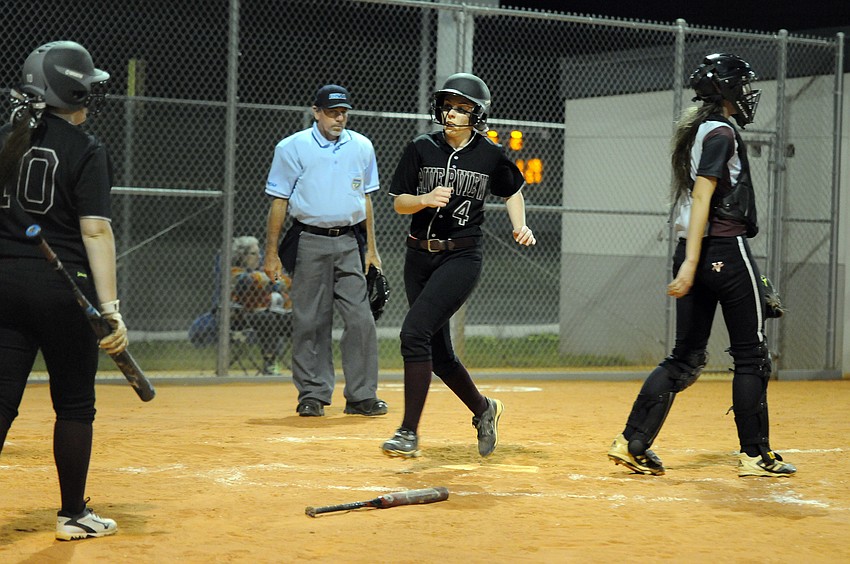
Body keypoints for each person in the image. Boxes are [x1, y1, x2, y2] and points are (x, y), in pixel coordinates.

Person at [607, 53, 796, 478]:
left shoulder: (700, 130)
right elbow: (706, 197)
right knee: (753, 356)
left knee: (686, 358)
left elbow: (697, 202)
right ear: (726, 90)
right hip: (723, 250)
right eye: (742, 87)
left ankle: (633, 442)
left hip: (698, 250)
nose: (747, 95)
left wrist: (691, 259)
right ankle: (755, 454)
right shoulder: (721, 133)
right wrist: (694, 262)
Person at [0, 41, 128, 540]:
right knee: (74, 403)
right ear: (72, 91)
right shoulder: (86, 148)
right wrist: (111, 310)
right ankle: (73, 515)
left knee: (1, 399)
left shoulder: (4, 138)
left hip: (4, 286)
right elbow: (96, 232)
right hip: (63, 290)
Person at [380, 73, 536, 459]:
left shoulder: (488, 154)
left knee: (414, 332)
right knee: (440, 353)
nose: (451, 113)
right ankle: (484, 410)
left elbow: (513, 189)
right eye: (447, 105)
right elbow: (399, 201)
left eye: (461, 108)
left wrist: (521, 225)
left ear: (477, 114)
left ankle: (407, 432)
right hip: (418, 255)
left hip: (461, 256)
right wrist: (424, 199)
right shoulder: (420, 147)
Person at [263, 84, 387, 417]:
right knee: (310, 320)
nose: (339, 118)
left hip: (350, 241)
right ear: (315, 112)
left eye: (343, 111)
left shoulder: (361, 146)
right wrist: (271, 254)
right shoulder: (292, 148)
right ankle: (313, 393)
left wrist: (371, 250)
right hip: (309, 240)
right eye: (332, 112)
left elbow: (366, 200)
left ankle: (361, 394)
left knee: (361, 319)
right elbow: (279, 201)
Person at [231, 235, 292, 374]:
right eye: (253, 253)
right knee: (268, 319)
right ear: (242, 256)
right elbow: (247, 281)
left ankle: (307, 363)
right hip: (243, 317)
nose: (258, 256)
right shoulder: (235, 271)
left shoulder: (264, 270)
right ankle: (269, 364)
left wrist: (273, 279)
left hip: (270, 313)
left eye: (259, 253)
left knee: (297, 319)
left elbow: (284, 282)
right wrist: (268, 279)